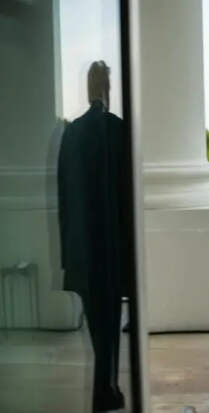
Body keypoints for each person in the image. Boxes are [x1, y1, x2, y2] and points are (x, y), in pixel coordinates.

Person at [58, 61, 133, 412]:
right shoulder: (117, 129)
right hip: (112, 246)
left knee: (97, 326)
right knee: (110, 325)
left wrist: (68, 254)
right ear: (107, 88)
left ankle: (104, 390)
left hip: (82, 247)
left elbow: (65, 197)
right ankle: (105, 390)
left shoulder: (72, 132)